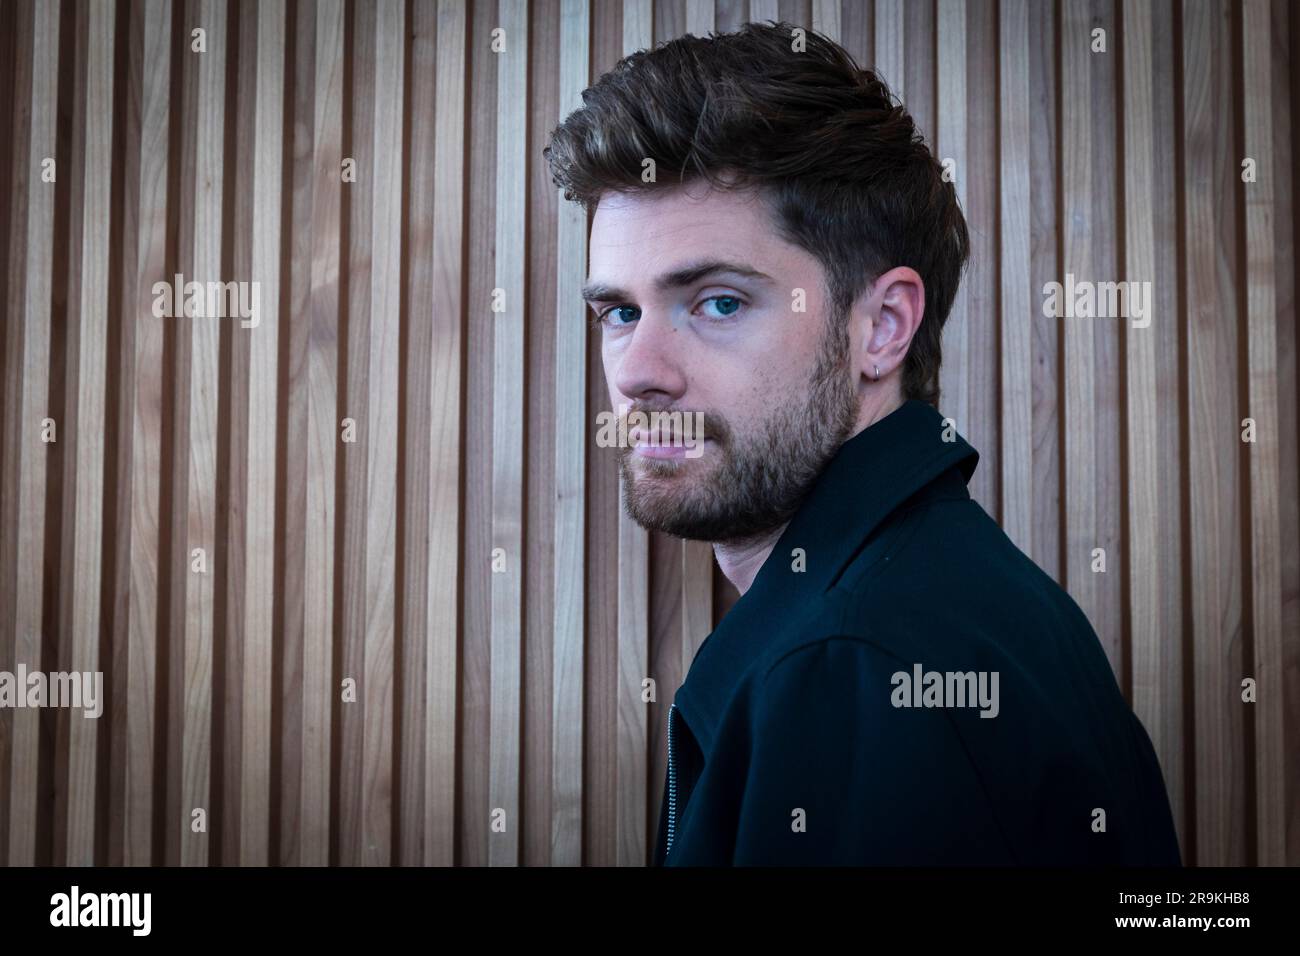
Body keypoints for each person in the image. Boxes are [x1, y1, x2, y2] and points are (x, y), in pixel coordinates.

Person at [544, 20, 1181, 866]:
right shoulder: (934, 594)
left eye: (718, 302)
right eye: (619, 312)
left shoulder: (852, 665)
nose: (639, 372)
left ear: (881, 328)